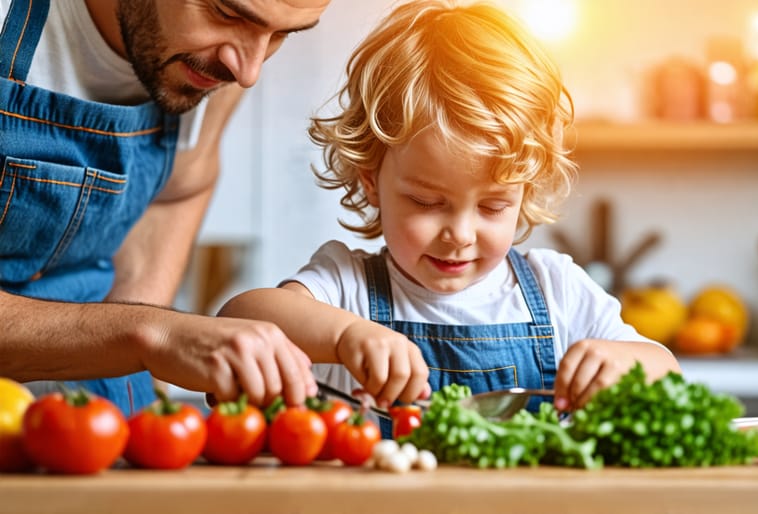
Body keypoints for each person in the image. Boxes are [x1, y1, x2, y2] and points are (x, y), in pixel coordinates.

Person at [218, 0, 681, 419]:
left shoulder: (556, 290)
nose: (460, 233)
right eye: (427, 202)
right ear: (371, 180)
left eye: (494, 205)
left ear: (524, 193)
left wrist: (623, 364)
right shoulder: (346, 288)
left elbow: (666, 371)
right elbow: (239, 319)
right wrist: (344, 337)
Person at [0, 0, 333, 415]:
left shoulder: (217, 66)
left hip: (93, 416)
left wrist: (147, 378)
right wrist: (154, 335)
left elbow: (178, 191)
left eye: (283, 34)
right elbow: (149, 334)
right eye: (226, 14)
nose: (248, 72)